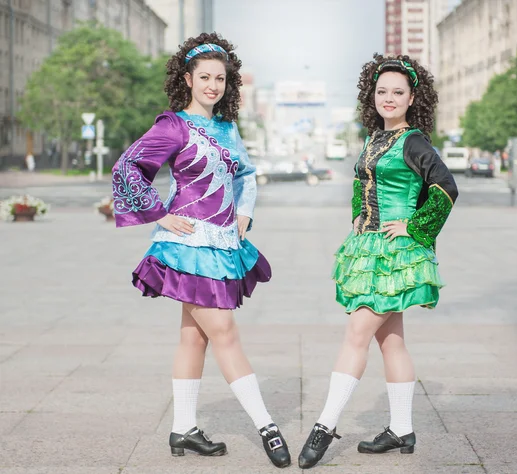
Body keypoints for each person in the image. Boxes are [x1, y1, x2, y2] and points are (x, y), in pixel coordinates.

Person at [111, 33, 291, 469]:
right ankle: (267, 427)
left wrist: (245, 212)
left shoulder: (228, 128)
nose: (213, 85)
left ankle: (184, 429)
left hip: (224, 242)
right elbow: (127, 166)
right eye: (205, 77)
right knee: (224, 332)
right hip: (187, 245)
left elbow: (246, 174)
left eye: (220, 78)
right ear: (187, 78)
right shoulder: (172, 125)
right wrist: (157, 213)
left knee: (193, 336)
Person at [297, 54, 458, 469]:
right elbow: (360, 180)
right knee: (392, 340)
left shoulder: (414, 141)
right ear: (373, 95)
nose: (388, 98)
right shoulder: (374, 138)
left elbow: (446, 187)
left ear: (411, 98)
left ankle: (325, 424)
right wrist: (357, 211)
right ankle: (402, 429)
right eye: (382, 91)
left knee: (357, 333)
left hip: (395, 252)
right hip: (370, 246)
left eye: (397, 92)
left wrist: (415, 226)